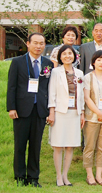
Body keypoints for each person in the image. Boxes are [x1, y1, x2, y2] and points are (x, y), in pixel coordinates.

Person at [7, 33, 54, 187]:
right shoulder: (18, 62)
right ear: (28, 44)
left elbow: (48, 88)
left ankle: (33, 177)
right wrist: (11, 107)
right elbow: (12, 87)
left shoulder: (48, 64)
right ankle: (20, 177)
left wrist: (49, 109)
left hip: (39, 110)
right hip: (21, 110)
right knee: (20, 145)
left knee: (35, 146)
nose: (38, 46)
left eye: (41, 43)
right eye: (35, 43)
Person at [48, 45, 85, 187]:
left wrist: (81, 113)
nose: (67, 56)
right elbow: (52, 93)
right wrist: (51, 112)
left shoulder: (80, 73)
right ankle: (58, 176)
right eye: (64, 54)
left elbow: (80, 95)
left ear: (74, 56)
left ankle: (65, 176)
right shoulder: (55, 72)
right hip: (59, 112)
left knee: (70, 146)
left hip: (74, 113)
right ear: (60, 57)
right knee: (58, 146)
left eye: (70, 53)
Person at [82, 50, 102, 186]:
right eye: (99, 60)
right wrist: (99, 113)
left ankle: (99, 175)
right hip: (92, 117)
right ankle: (89, 175)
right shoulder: (87, 77)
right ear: (93, 62)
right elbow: (87, 98)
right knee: (89, 146)